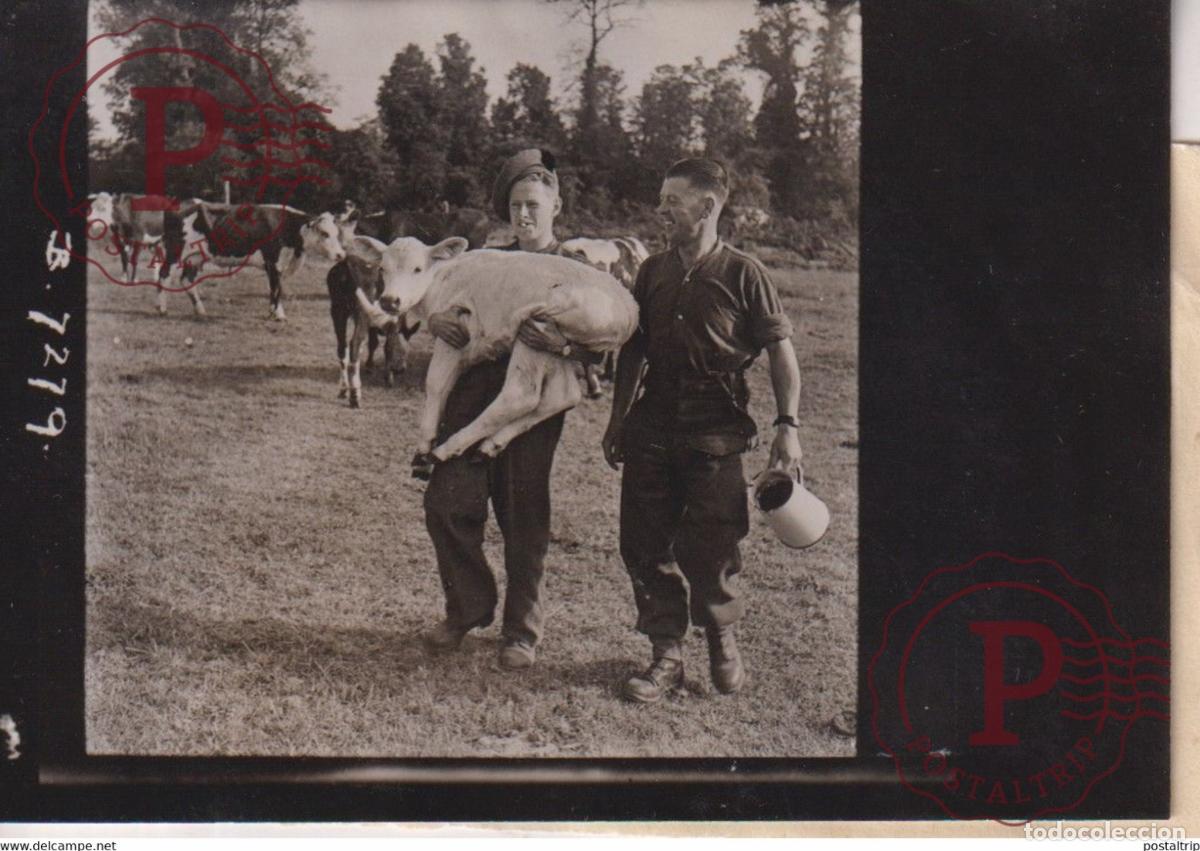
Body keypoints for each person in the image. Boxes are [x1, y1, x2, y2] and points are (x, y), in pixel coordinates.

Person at [601, 158, 804, 702]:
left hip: (716, 425)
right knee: (643, 542)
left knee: (715, 538)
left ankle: (721, 637)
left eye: (672, 200)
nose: (661, 209)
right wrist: (618, 418)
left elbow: (781, 353)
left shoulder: (745, 273)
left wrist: (788, 426)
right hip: (652, 422)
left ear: (707, 206)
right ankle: (665, 654)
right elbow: (634, 348)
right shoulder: (652, 272)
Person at [420, 148, 603, 670]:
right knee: (446, 502)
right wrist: (439, 322)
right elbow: (439, 299)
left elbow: (604, 340)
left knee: (524, 514)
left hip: (532, 406)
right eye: (515, 205)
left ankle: (521, 631)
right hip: (473, 394)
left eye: (533, 206)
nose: (523, 215)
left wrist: (564, 345)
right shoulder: (486, 262)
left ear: (556, 206)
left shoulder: (575, 267)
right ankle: (468, 608)